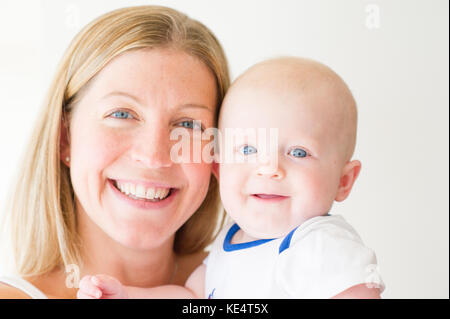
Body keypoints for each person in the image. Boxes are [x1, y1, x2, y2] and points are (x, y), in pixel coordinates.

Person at [77, 57, 385, 299]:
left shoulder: (319, 244)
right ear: (219, 169)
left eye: (299, 153)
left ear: (344, 181)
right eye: (248, 149)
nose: (268, 168)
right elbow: (191, 297)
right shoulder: (228, 243)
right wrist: (129, 296)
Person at [0, 5, 230, 299]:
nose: (153, 157)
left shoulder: (262, 283)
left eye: (187, 124)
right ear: (64, 138)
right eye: (122, 114)